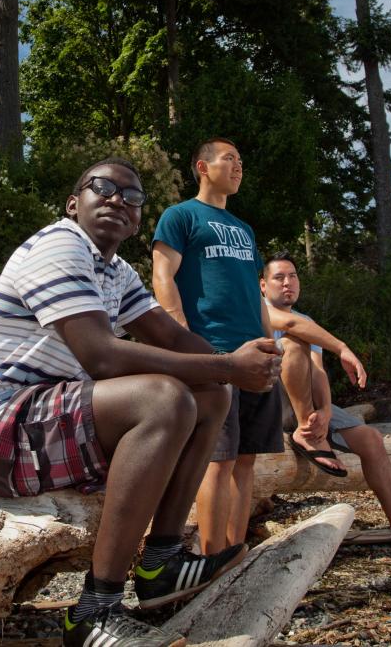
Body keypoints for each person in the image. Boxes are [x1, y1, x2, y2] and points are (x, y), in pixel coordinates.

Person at [0, 157, 282, 647]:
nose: (116, 199)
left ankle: (160, 566)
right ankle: (92, 611)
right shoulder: (58, 245)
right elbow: (101, 356)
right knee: (163, 399)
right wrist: (230, 366)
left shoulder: (115, 269)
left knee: (211, 394)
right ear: (72, 203)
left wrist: (241, 364)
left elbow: (167, 334)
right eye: (101, 187)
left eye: (131, 196)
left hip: (52, 415)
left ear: (137, 220)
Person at [260, 252, 391, 562]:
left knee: (371, 439)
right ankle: (308, 434)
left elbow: (317, 369)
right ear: (262, 285)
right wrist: (342, 348)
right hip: (268, 398)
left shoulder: (309, 322)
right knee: (294, 344)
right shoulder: (257, 310)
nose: (288, 283)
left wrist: (324, 409)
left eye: (293, 276)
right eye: (279, 277)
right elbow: (290, 328)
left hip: (305, 401)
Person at [151, 137, 279, 556]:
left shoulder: (244, 228)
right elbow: (163, 276)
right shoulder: (180, 216)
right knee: (217, 459)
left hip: (256, 356)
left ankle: (234, 553)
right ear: (203, 167)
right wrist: (186, 343)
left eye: (241, 160)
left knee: (246, 460)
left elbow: (254, 293)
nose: (239, 166)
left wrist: (271, 344)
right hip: (214, 355)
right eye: (229, 159)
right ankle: (210, 557)